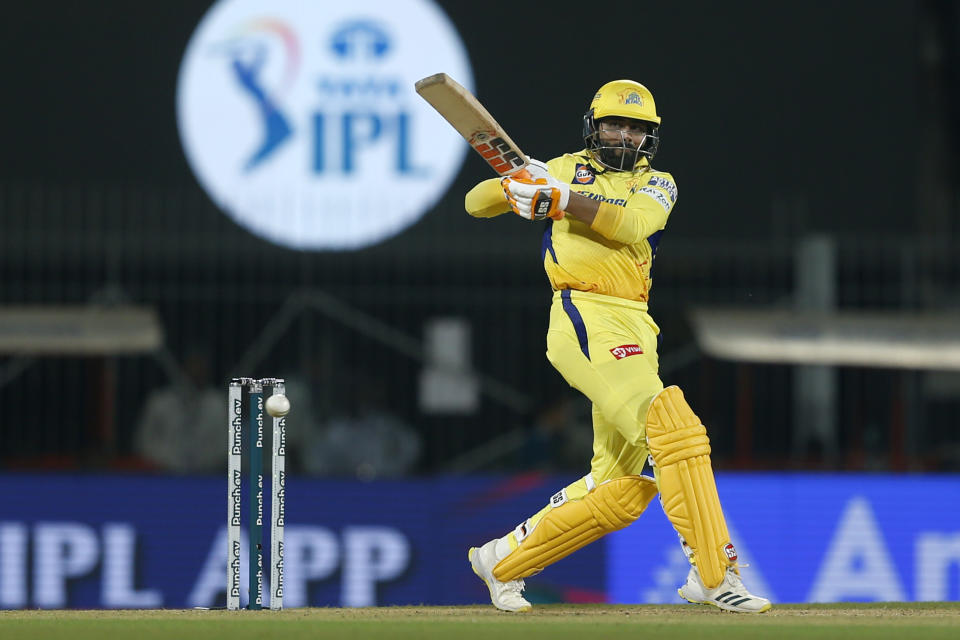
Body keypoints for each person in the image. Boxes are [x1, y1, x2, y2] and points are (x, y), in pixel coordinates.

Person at [462, 80, 771, 613]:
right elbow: (474, 203)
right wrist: (515, 188)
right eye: (615, 125)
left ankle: (502, 561)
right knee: (672, 426)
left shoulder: (660, 184)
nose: (625, 136)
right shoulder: (559, 167)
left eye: (637, 129)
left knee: (621, 488)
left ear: (650, 138)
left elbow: (633, 225)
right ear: (594, 125)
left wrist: (562, 199)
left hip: (636, 325)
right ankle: (714, 572)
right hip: (584, 315)